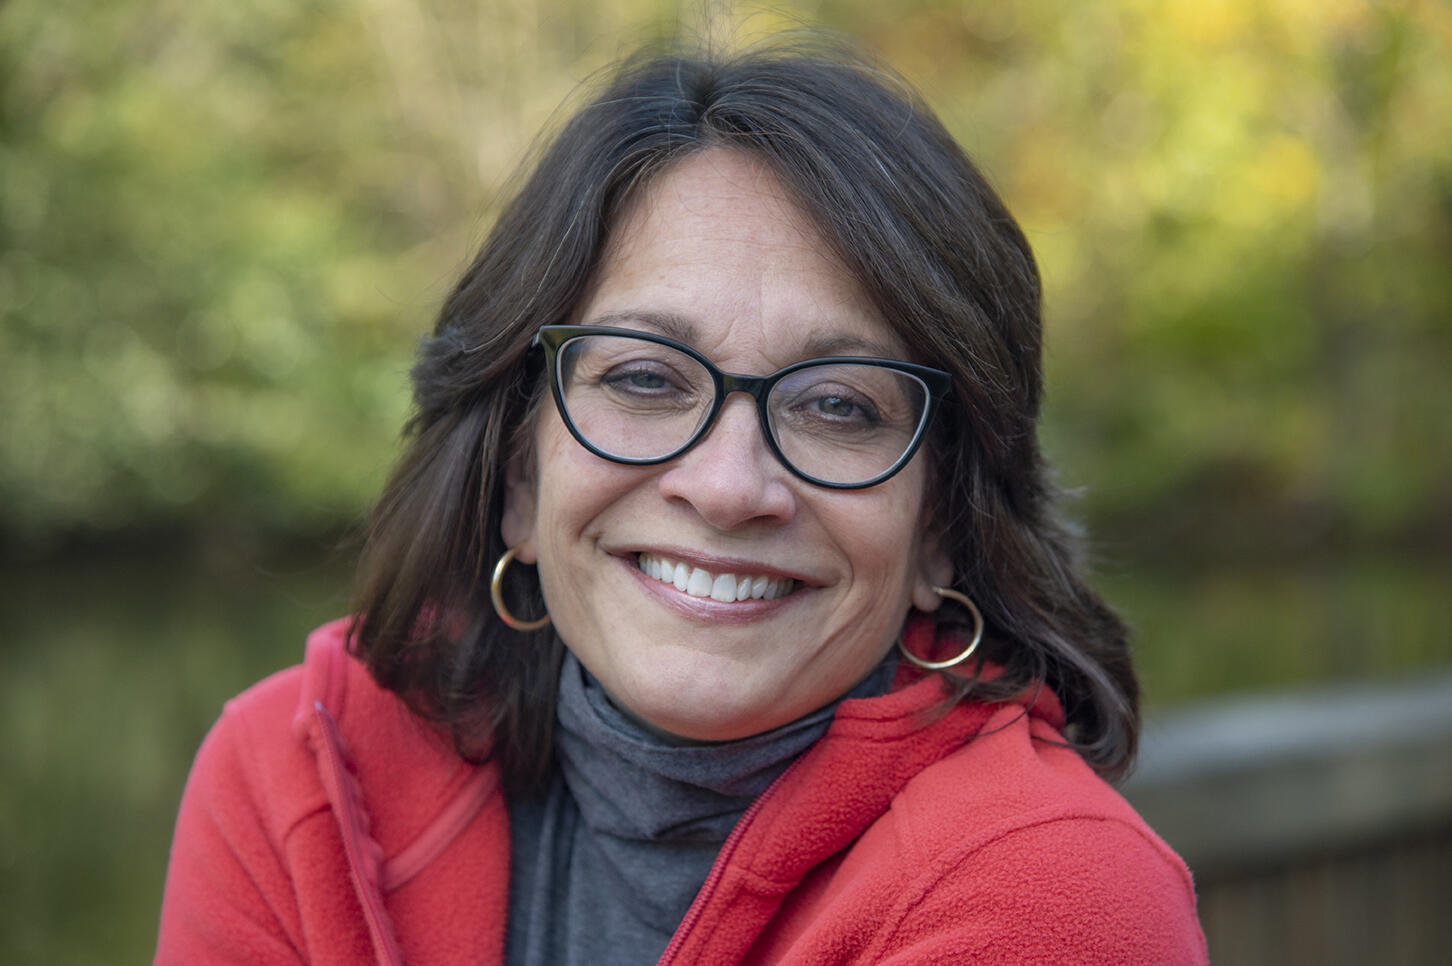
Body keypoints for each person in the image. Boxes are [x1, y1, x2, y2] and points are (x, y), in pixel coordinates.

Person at [157, 39, 1207, 965]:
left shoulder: (1053, 897)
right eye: (646, 380)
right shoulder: (301, 782)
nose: (727, 487)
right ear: (518, 476)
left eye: (838, 406)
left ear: (942, 525)